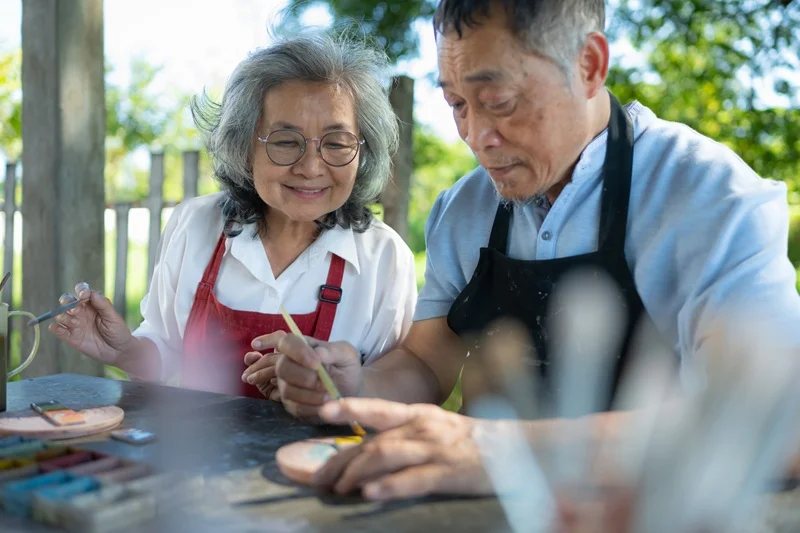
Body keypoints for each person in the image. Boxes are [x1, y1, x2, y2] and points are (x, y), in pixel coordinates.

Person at [268, 0, 800, 501]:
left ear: (589, 65)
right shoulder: (464, 209)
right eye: (456, 104)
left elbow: (777, 420)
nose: (476, 136)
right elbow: (426, 362)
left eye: (499, 102)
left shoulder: (708, 197)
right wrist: (356, 382)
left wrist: (504, 452)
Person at [49, 32, 417, 399]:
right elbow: (164, 353)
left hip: (326, 457)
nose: (310, 167)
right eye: (286, 141)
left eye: (337, 143)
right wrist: (124, 351)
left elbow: (388, 397)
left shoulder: (384, 258)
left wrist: (336, 389)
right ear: (243, 148)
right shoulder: (195, 226)